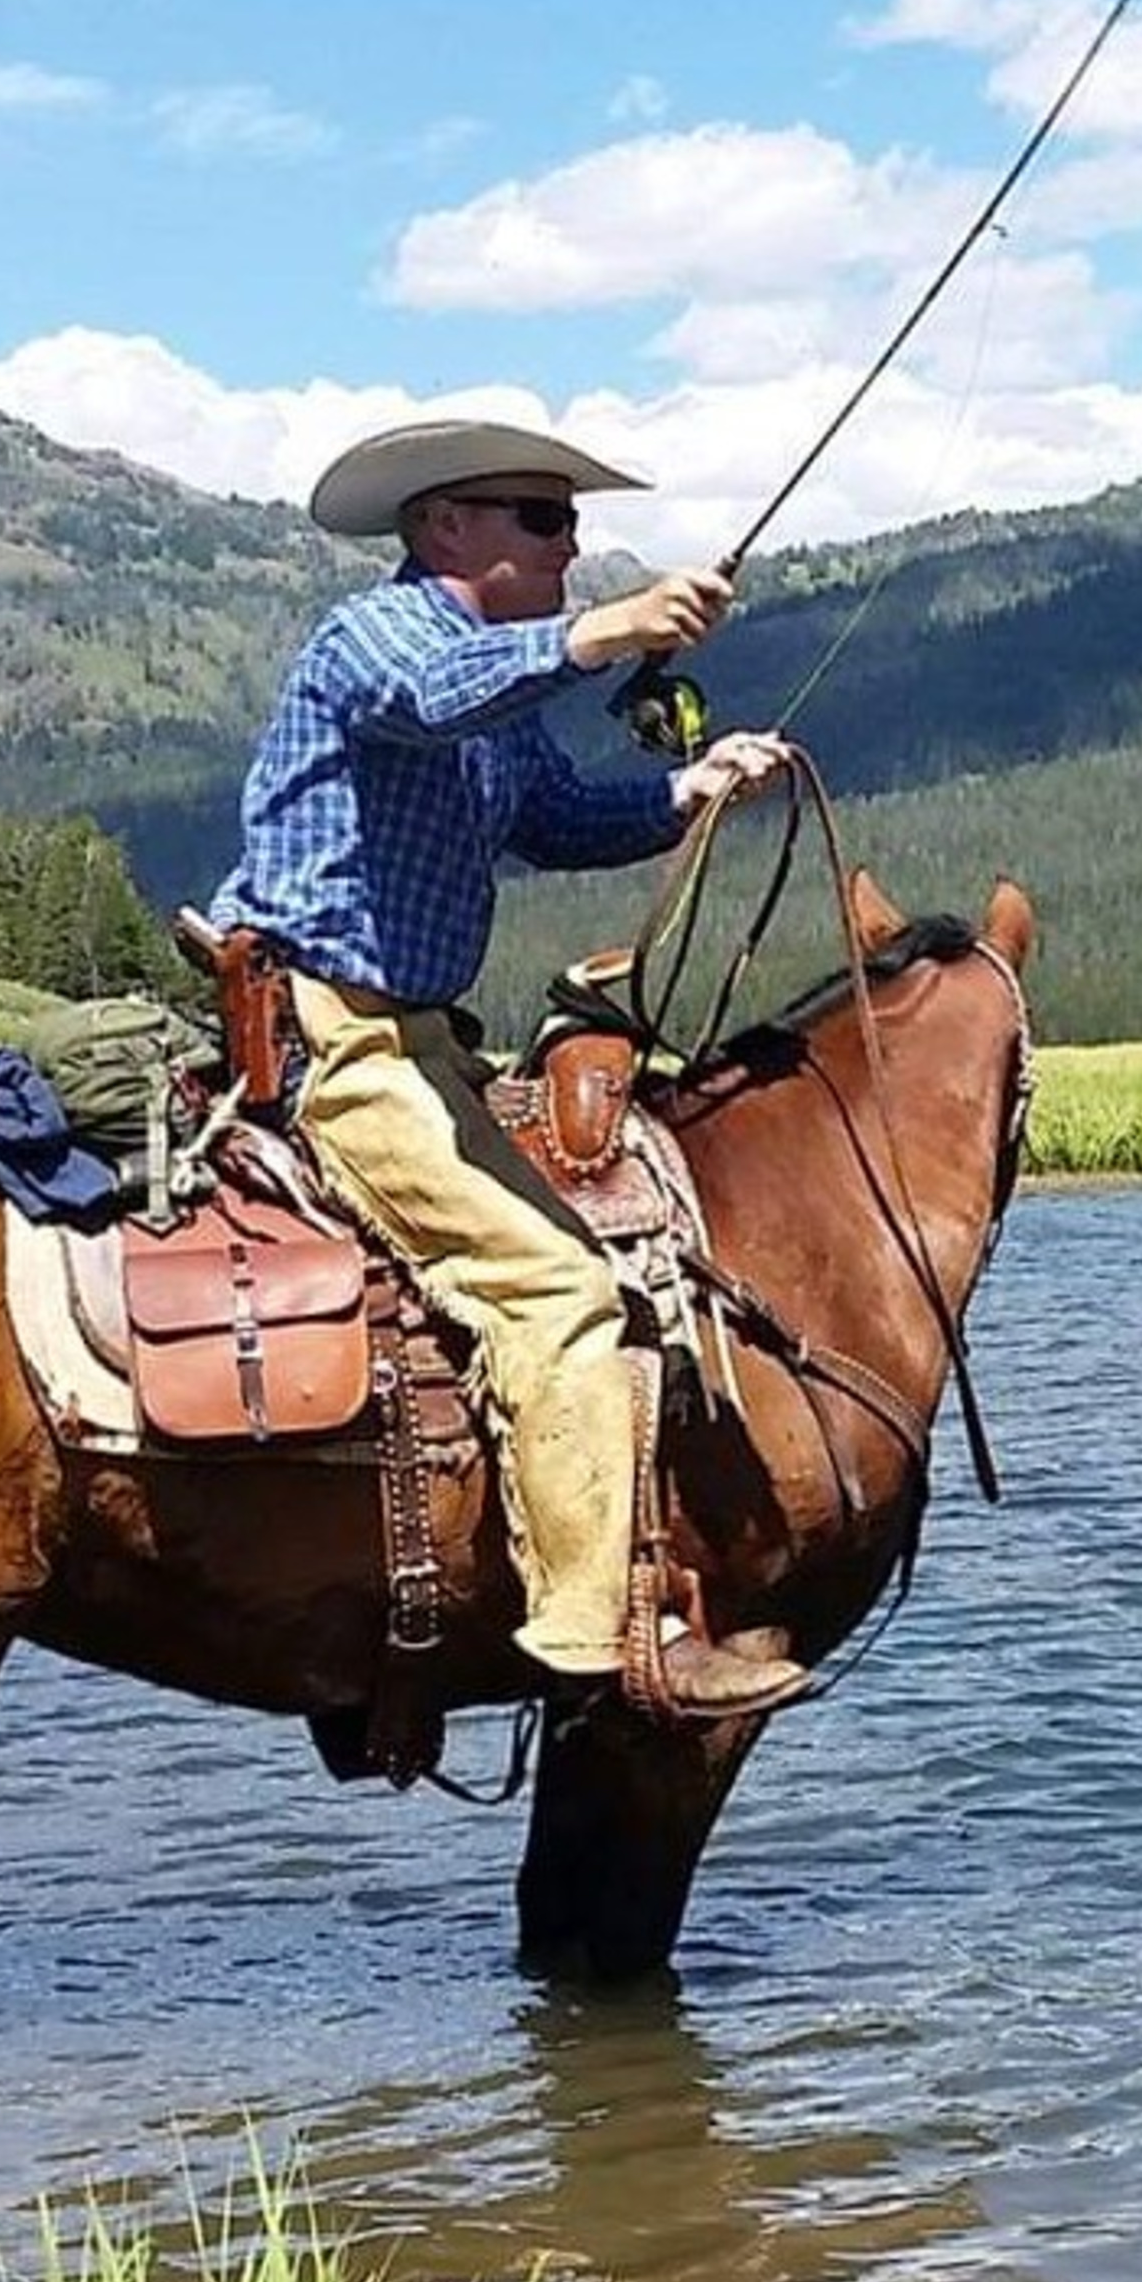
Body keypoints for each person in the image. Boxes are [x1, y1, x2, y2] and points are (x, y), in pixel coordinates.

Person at [205, 415, 805, 1724]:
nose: (569, 541)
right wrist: (607, 634)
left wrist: (691, 788)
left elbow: (556, 818)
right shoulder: (371, 643)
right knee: (555, 1292)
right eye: (540, 517)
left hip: (417, 1037)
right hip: (339, 1041)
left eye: (571, 521)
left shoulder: (501, 680)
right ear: (445, 528)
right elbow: (436, 699)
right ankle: (595, 1650)